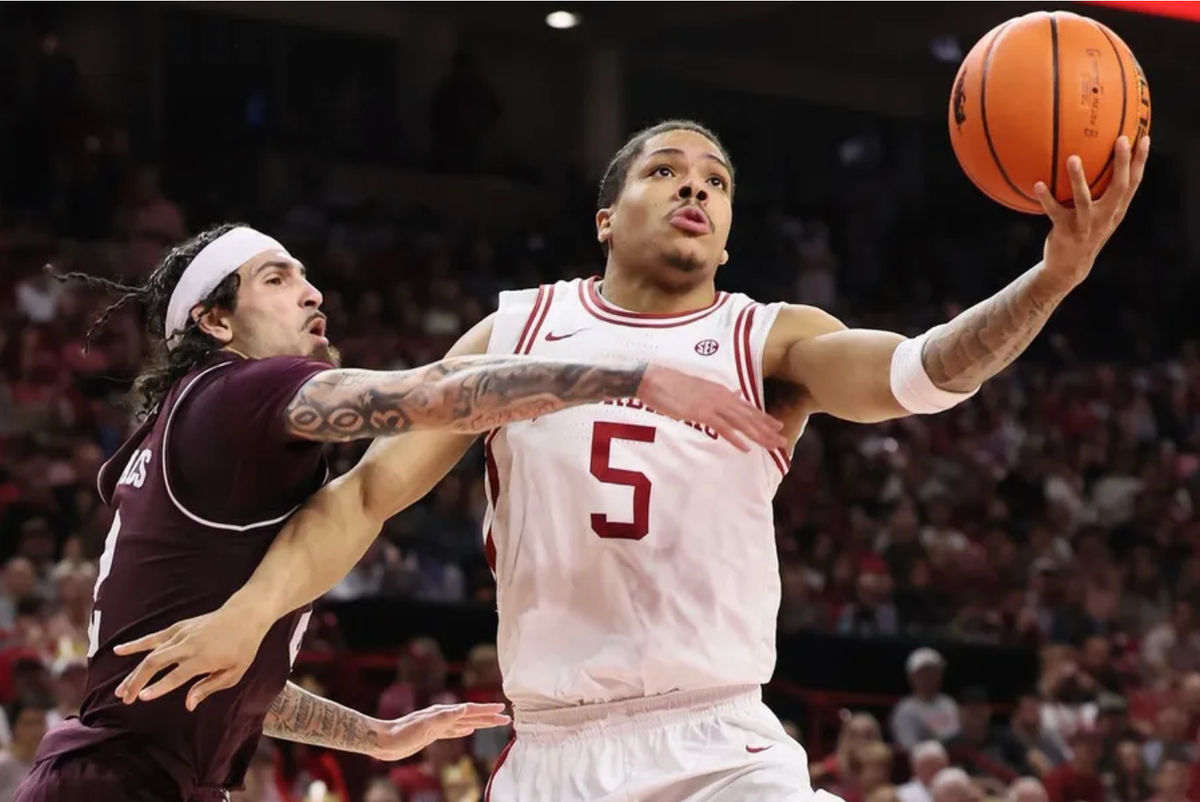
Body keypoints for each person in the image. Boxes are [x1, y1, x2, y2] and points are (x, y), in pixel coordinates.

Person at [114, 121, 1150, 801]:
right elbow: (364, 497)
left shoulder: (769, 339)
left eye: (715, 182)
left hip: (716, 741)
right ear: (607, 217)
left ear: (730, 231)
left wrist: (1051, 278)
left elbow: (924, 372)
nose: (694, 189)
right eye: (666, 171)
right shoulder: (518, 329)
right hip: (556, 750)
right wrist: (250, 616)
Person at [15, 222, 779, 802]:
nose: (312, 294)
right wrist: (629, 374)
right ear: (216, 323)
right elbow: (433, 396)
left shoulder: (186, 434)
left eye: (307, 277)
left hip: (126, 771)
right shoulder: (238, 393)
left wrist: (373, 737)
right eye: (278, 280)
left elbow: (210, 671)